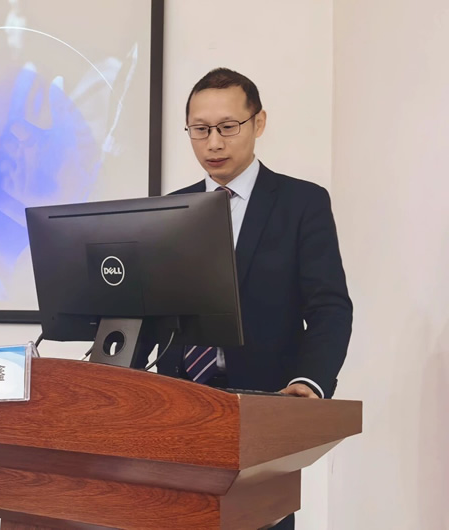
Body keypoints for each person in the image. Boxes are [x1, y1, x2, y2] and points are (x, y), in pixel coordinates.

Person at [138, 68, 352, 530]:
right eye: (200, 130)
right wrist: (117, 382)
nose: (213, 143)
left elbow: (329, 307)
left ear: (259, 123)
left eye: (227, 127)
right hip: (176, 407)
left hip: (262, 408)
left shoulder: (301, 203)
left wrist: (310, 382)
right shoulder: (170, 208)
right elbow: (151, 312)